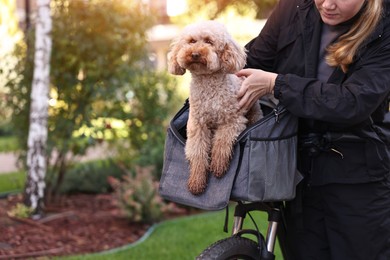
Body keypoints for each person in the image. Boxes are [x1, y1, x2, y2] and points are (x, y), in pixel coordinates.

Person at [236, 0, 390, 259]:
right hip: (297, 177)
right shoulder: (294, 8)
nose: (327, 4)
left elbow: (352, 102)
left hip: (358, 180)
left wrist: (278, 84)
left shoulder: (384, 26)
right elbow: (254, 61)